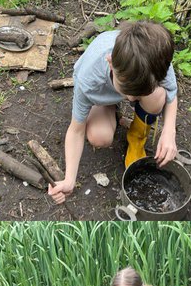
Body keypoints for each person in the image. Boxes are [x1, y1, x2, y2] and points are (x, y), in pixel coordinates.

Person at [49, 20, 179, 204]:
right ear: (110, 63)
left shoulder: (154, 58)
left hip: (125, 82)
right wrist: (70, 179)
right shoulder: (89, 80)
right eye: (128, 92)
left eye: (138, 94)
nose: (132, 100)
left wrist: (169, 131)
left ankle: (136, 140)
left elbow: (171, 95)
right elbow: (76, 130)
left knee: (157, 97)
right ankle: (107, 106)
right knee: (99, 137)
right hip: (102, 92)